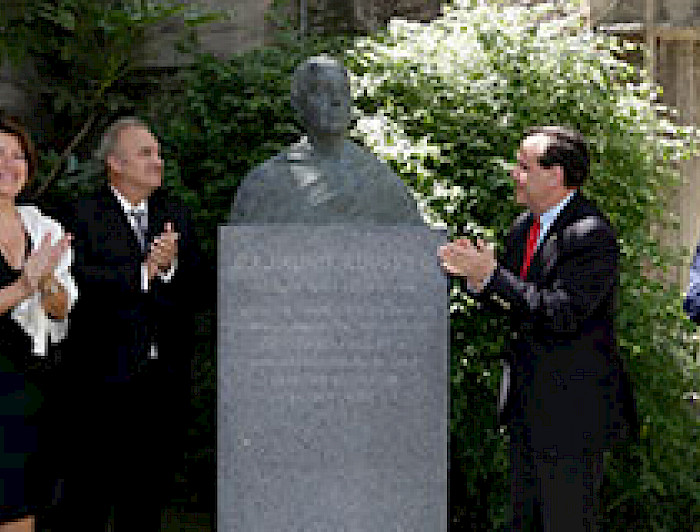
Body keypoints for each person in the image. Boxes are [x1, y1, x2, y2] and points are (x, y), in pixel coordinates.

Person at [438, 126, 637, 531]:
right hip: (527, 408)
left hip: (572, 414)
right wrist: (479, 280)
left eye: (524, 167)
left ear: (556, 174)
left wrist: (493, 276)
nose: (514, 174)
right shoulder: (521, 228)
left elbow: (561, 312)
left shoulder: (591, 234)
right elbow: (514, 302)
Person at [54, 117, 195, 531]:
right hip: (98, 386)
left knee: (146, 502)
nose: (158, 161)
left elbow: (199, 285)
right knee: (87, 502)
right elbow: (78, 282)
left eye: (158, 152)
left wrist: (168, 270)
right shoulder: (79, 215)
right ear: (115, 163)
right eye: (145, 153)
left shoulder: (175, 213)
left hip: (161, 387)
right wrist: (145, 271)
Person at [230, 55, 423, 224]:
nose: (336, 100)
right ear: (299, 103)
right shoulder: (264, 185)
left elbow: (414, 246)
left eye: (343, 91)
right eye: (322, 91)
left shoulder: (381, 181)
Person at [0, 115, 77, 531]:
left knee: (24, 511)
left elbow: (61, 310)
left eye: (17, 156)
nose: (9, 165)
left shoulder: (43, 227)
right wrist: (22, 286)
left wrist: (47, 284)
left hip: (30, 392)